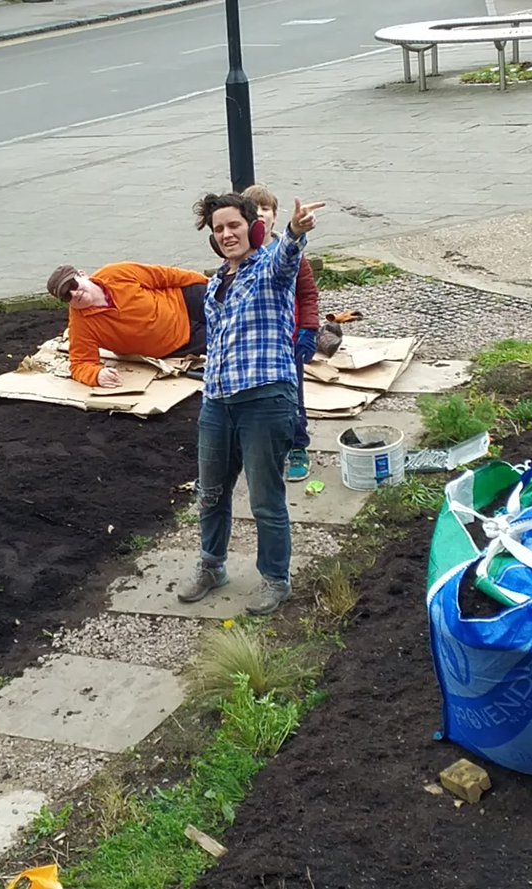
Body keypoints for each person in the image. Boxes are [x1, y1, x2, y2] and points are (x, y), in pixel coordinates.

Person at [181, 192, 325, 616]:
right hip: (218, 402)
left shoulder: (272, 267)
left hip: (265, 399)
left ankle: (276, 580)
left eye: (234, 225)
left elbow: (288, 255)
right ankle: (212, 566)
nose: (227, 234)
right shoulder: (215, 282)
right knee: (210, 493)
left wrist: (296, 230)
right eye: (219, 229)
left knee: (265, 498)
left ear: (252, 227)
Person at [241, 184, 320, 483]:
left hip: (289, 342)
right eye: (253, 209)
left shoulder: (291, 253)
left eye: (266, 209)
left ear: (275, 216)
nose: (260, 214)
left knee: (292, 397)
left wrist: (308, 331)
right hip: (256, 344)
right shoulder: (239, 256)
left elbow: (308, 295)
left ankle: (298, 446)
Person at [45, 263, 210, 388]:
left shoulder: (116, 273)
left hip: (183, 299)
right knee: (229, 338)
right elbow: (80, 363)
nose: (74, 293)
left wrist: (208, 283)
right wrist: (96, 375)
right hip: (181, 340)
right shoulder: (80, 326)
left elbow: (165, 275)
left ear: (82, 275)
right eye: (67, 296)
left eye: (73, 285)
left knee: (228, 298)